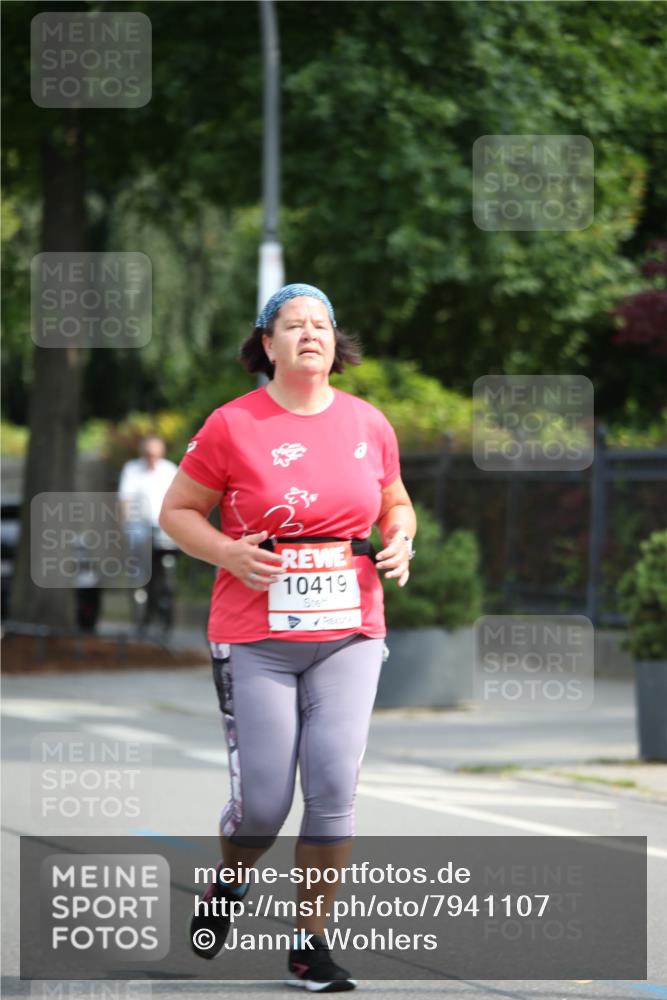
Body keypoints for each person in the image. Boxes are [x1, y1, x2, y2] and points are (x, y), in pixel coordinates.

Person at [160, 283, 416, 992]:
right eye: (292, 325)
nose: (310, 334)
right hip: (255, 639)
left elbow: (393, 500)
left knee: (333, 787)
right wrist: (229, 552)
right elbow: (177, 512)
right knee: (264, 806)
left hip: (351, 631)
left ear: (336, 344)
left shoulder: (368, 423)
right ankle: (230, 883)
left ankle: (308, 946)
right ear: (265, 344)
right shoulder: (231, 425)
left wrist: (399, 539)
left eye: (322, 325)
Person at [118, 435, 179, 632]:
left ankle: (164, 609)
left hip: (163, 528)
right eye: (148, 454)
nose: (151, 458)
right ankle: (141, 612)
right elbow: (125, 501)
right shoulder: (132, 470)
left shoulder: (169, 470)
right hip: (140, 529)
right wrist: (125, 526)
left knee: (166, 569)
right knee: (140, 570)